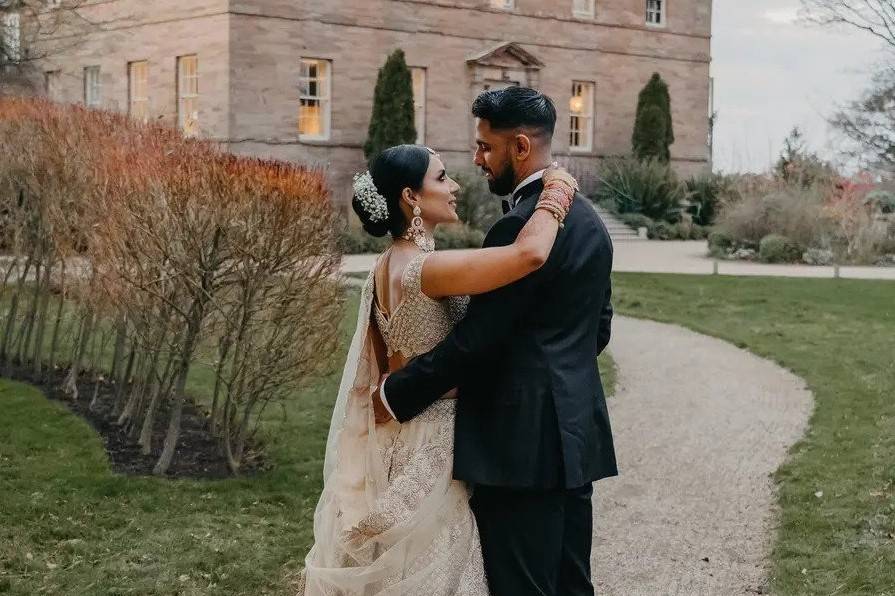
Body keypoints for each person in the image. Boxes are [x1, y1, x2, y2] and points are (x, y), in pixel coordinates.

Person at [299, 136, 579, 595]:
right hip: (435, 440)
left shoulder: (386, 265)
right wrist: (557, 190)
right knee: (436, 566)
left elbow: (386, 365)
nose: (454, 187)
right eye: (441, 177)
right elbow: (529, 254)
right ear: (411, 197)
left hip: (399, 437)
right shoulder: (426, 270)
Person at [374, 86, 617, 596]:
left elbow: (480, 340)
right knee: (573, 584)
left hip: (519, 445)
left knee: (521, 586)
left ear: (521, 147)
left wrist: (398, 394)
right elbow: (599, 328)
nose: (478, 159)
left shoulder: (516, 227)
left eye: (486, 146)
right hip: (575, 432)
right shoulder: (591, 221)